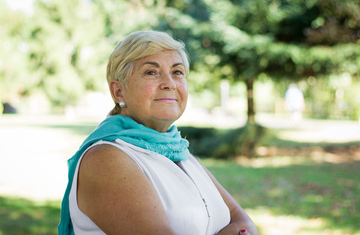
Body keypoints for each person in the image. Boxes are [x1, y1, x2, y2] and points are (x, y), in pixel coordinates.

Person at [58, 30, 259, 235]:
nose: (169, 83)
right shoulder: (104, 158)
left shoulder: (180, 152)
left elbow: (245, 224)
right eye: (151, 72)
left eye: (177, 72)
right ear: (119, 91)